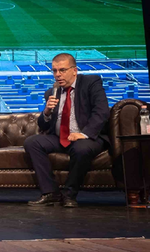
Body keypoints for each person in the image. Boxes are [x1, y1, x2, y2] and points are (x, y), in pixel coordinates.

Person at [25, 53, 110, 208]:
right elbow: (43, 126)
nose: (57, 75)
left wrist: (83, 134)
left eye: (62, 70)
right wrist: (46, 112)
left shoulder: (91, 83)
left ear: (74, 70)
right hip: (60, 138)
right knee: (32, 142)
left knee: (81, 148)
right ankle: (50, 193)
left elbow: (102, 112)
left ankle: (69, 194)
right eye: (54, 71)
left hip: (87, 137)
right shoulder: (52, 92)